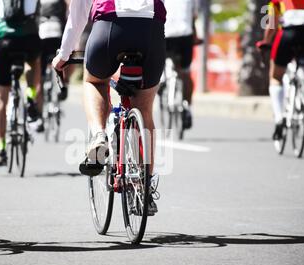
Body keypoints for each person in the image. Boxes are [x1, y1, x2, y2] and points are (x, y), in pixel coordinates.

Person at [52, 0, 167, 215]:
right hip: (151, 28)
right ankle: (145, 187)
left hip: (109, 25)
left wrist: (64, 55)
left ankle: (98, 136)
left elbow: (77, 16)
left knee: (94, 81)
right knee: (144, 108)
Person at [257, 0, 304, 140]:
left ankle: (279, 118)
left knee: (275, 77)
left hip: (289, 34)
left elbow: (271, 27)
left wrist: (265, 42)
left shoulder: (275, 2)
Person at [0, 0, 42, 166]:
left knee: (1, 96)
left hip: (3, 41)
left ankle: (0, 148)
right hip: (29, 39)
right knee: (34, 61)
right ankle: (31, 95)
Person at [29, 0, 68, 132]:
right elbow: (67, 14)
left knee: (39, 76)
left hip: (42, 34)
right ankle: (63, 84)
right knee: (63, 60)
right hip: (57, 32)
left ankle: (38, 118)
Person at [164, 0, 202, 129]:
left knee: (162, 63)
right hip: (185, 35)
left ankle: (162, 80)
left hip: (166, 34)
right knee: (186, 71)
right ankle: (187, 107)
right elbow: (194, 16)